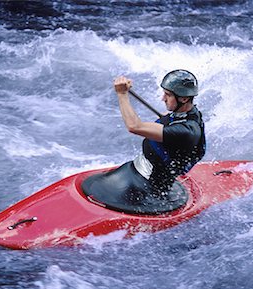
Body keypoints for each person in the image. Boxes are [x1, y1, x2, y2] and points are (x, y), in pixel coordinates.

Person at [82, 69, 206, 214]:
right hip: (135, 171)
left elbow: (134, 127)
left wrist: (122, 94)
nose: (163, 98)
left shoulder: (186, 131)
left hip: (148, 187)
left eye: (168, 95)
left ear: (184, 99)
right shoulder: (186, 113)